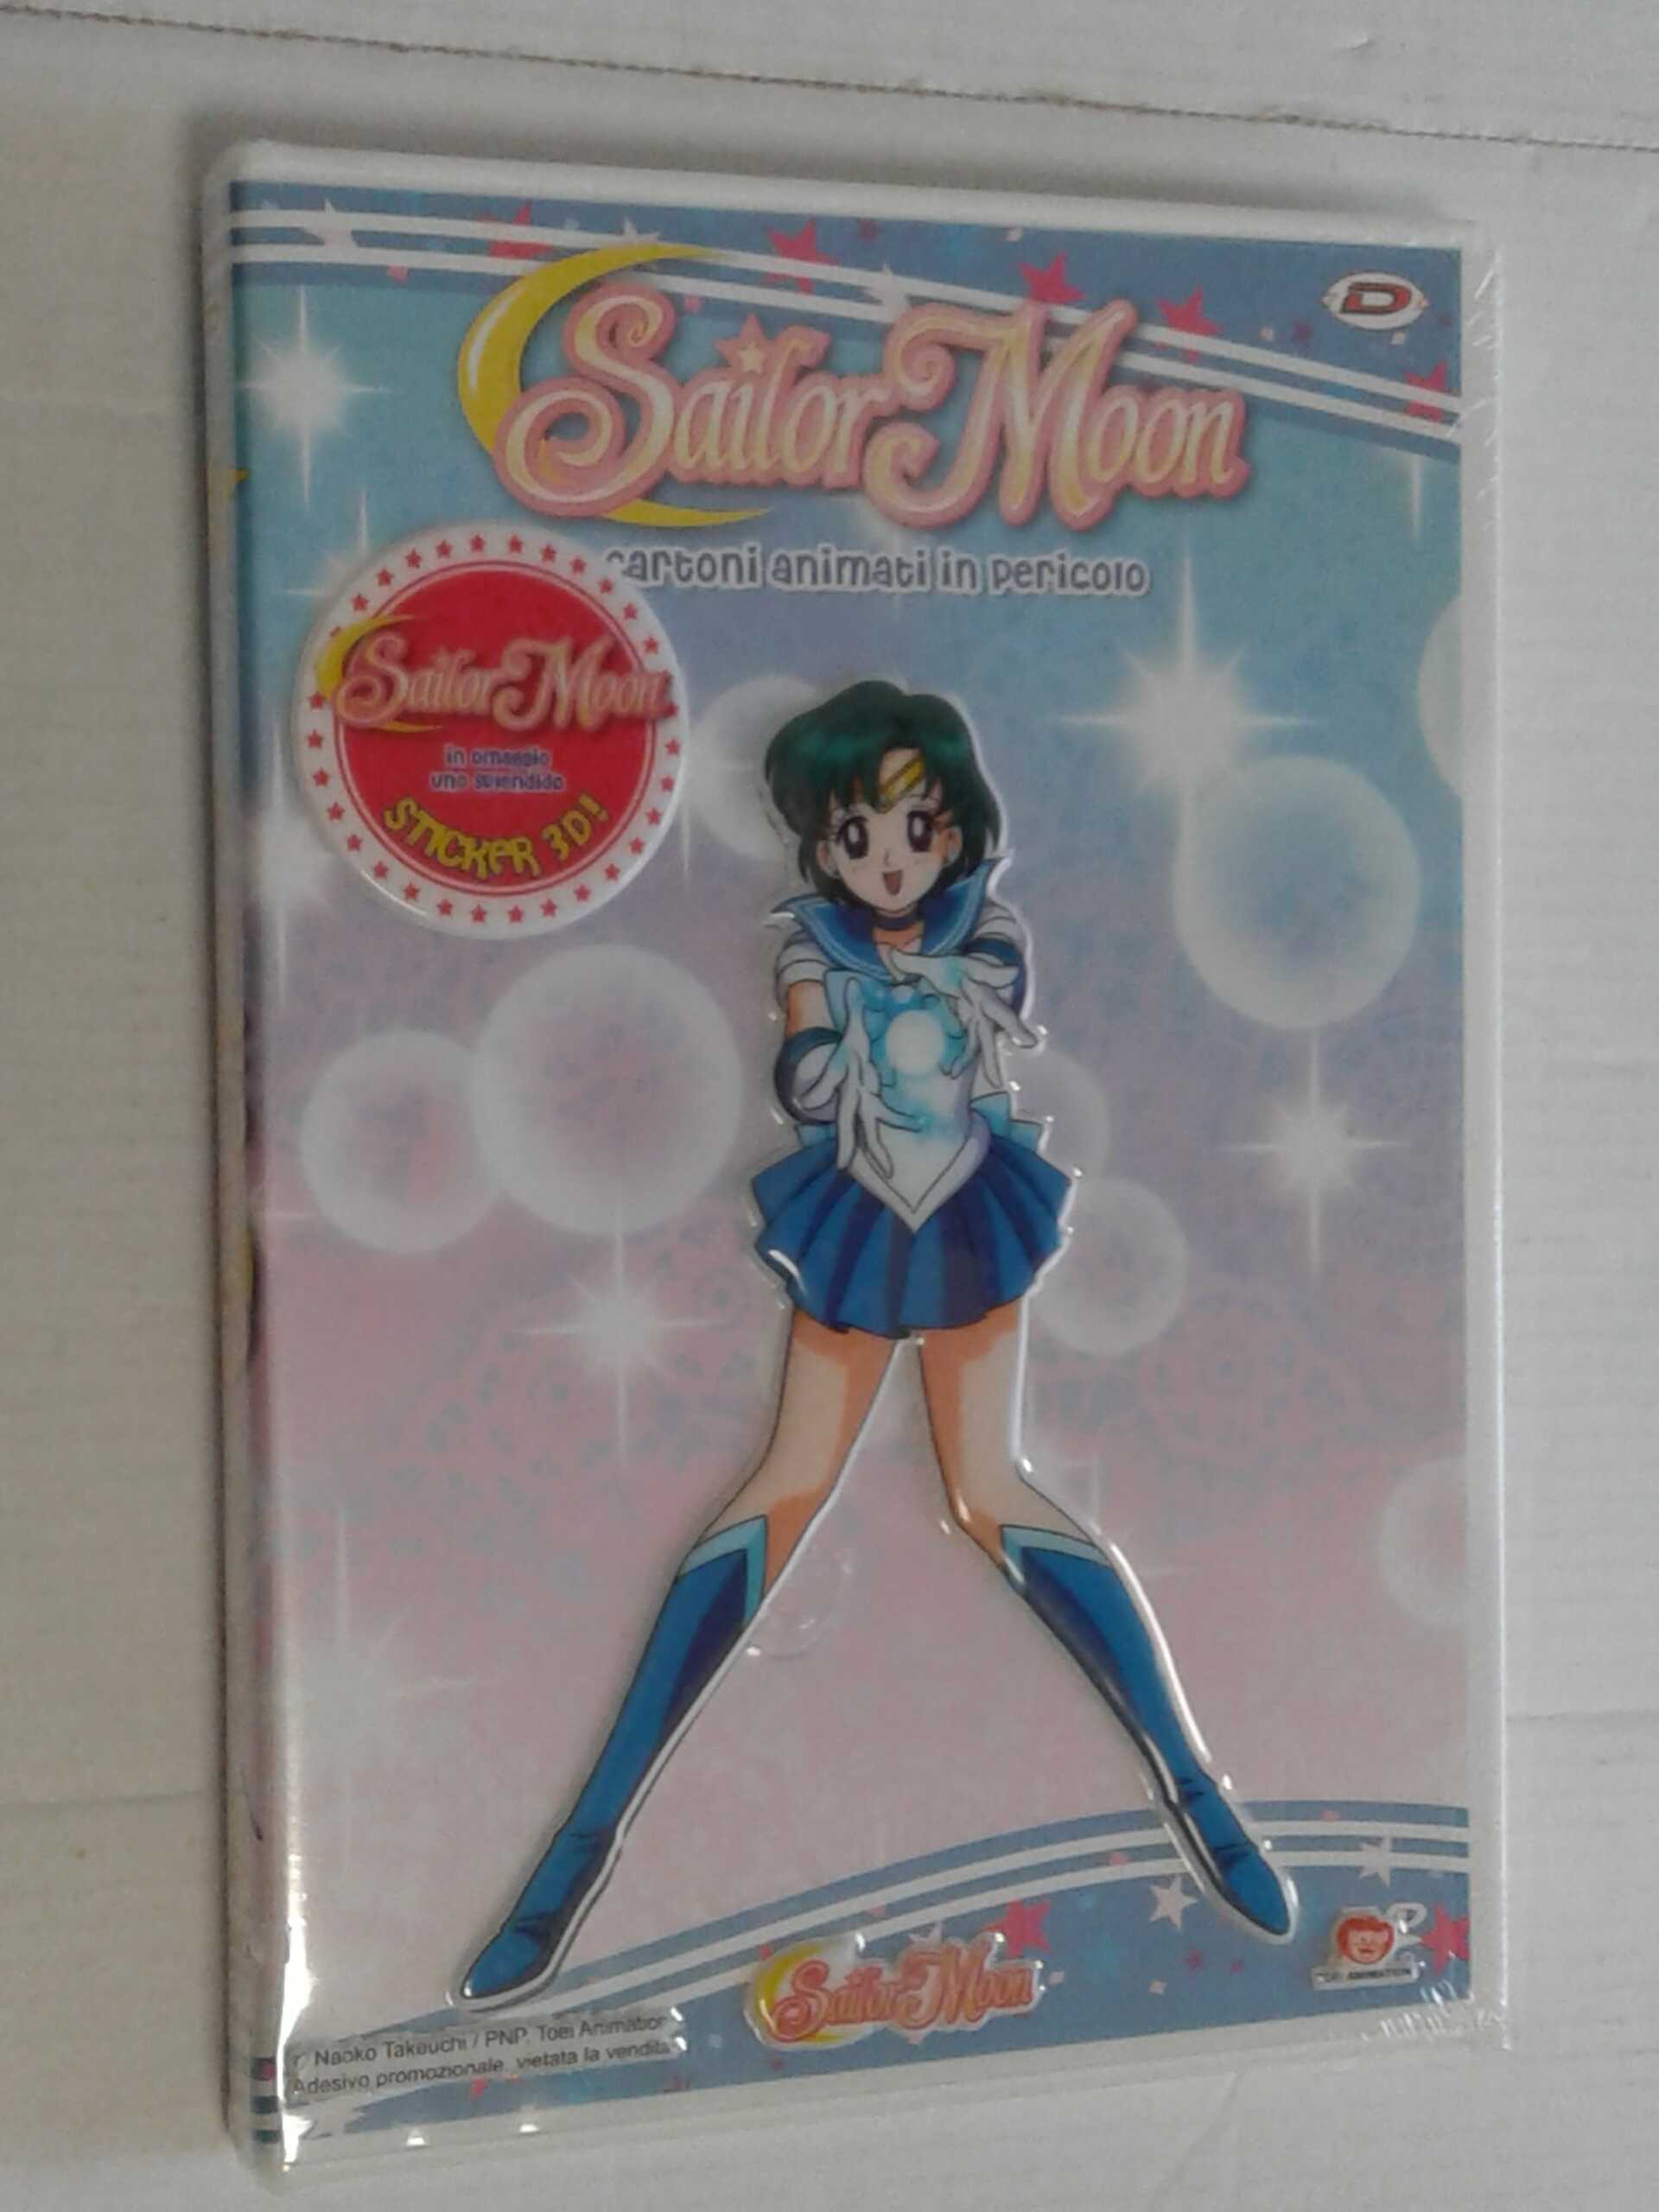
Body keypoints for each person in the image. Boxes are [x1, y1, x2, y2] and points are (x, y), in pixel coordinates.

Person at [458, 680, 1291, 2012]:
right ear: (820, 841)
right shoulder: (809, 944)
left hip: (963, 1213)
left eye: (914, 827)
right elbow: (805, 1054)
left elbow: (985, 1007)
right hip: (860, 1213)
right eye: (856, 833)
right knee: (787, 1486)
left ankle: (1196, 1790)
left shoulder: (984, 929)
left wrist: (912, 1007)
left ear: (955, 828)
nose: (888, 858)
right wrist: (823, 1053)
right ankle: (582, 1843)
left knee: (988, 1488)